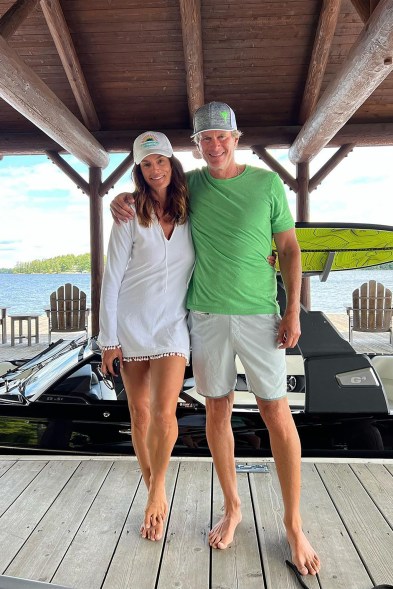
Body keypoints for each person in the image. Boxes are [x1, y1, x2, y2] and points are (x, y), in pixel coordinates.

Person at [109, 102, 321, 576]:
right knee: (217, 409)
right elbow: (151, 192)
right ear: (197, 146)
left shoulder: (267, 184)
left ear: (236, 137)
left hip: (261, 315)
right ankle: (232, 508)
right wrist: (118, 200)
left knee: (275, 411)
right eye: (206, 139)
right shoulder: (191, 187)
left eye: (222, 137)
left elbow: (288, 247)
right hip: (204, 316)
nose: (215, 145)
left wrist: (292, 310)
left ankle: (292, 523)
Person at [98, 131, 195, 542]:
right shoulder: (129, 214)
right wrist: (107, 340)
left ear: (173, 163)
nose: (156, 170)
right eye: (147, 164)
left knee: (163, 414)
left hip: (173, 324)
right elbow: (111, 278)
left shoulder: (194, 210)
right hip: (131, 325)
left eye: (161, 161)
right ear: (139, 171)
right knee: (138, 414)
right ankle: (152, 488)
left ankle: (157, 493)